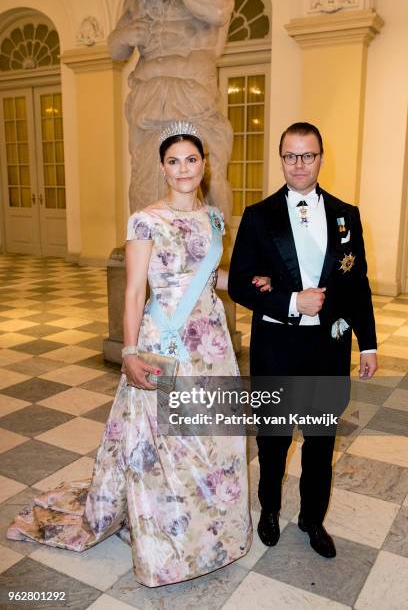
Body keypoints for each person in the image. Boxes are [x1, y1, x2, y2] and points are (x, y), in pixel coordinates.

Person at [7, 122, 270, 587]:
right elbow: (133, 292)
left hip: (210, 343)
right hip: (164, 342)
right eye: (174, 161)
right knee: (166, 444)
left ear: (204, 164)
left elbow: (208, 280)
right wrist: (130, 351)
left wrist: (254, 284)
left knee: (214, 438)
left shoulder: (213, 219)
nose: (184, 168)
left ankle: (212, 531)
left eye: (192, 159)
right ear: (163, 168)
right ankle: (168, 546)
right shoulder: (145, 220)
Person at [228, 122, 377, 559]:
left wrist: (367, 343)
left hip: (329, 349)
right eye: (290, 155)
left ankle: (313, 519)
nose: (299, 164)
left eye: (307, 155)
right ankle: (269, 510)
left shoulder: (346, 214)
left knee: (320, 440)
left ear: (321, 158)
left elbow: (358, 284)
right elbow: (239, 283)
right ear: (281, 159)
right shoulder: (258, 216)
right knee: (274, 438)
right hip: (277, 348)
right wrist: (292, 300)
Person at [108, 0, 235, 220]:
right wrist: (124, 35)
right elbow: (116, 51)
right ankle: (146, 240)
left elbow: (219, 11)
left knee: (207, 175)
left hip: (191, 90)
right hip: (147, 97)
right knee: (144, 175)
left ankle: (214, 238)